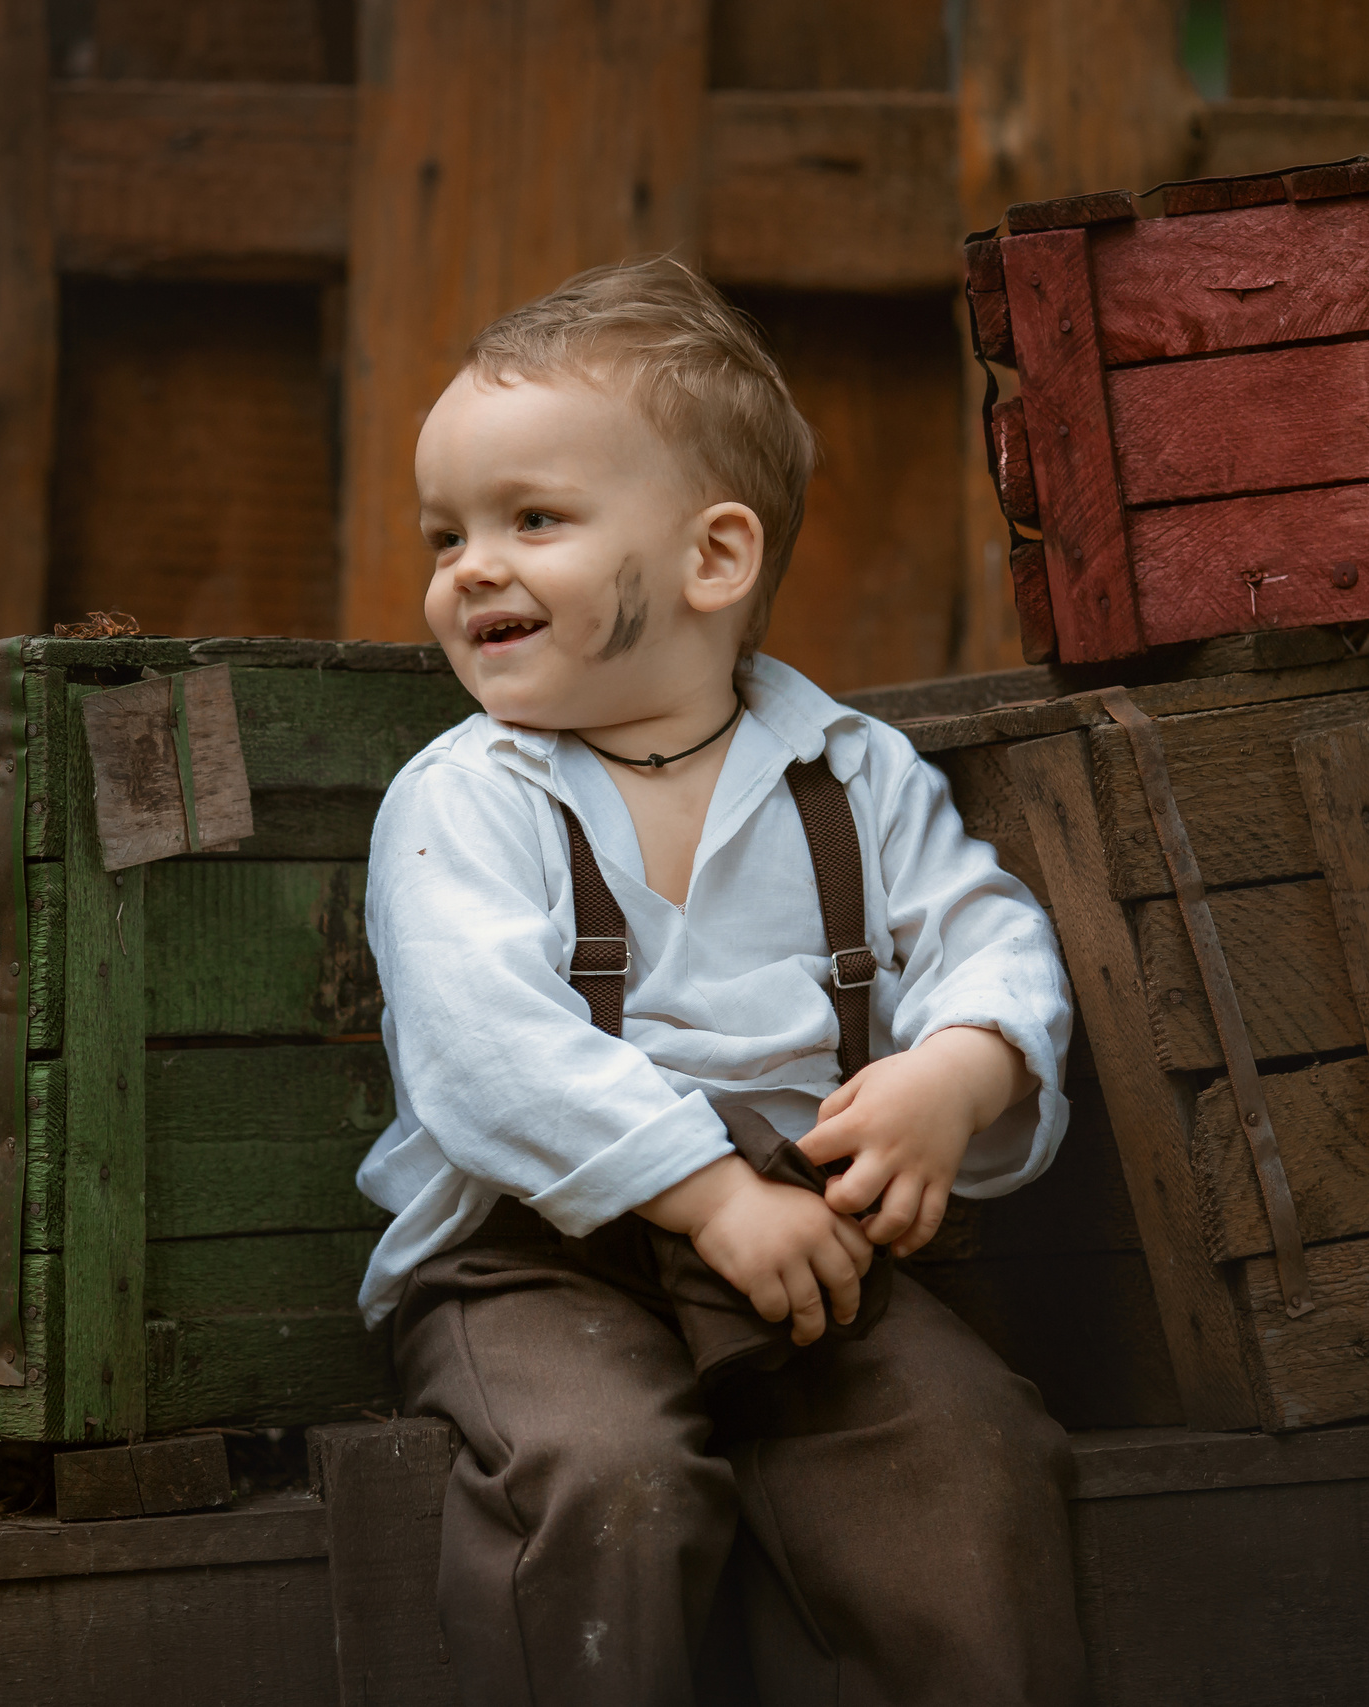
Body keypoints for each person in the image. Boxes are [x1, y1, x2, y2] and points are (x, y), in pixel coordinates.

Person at [354, 257, 1088, 1706]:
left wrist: (963, 1072)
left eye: (533, 520)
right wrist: (703, 1194)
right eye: (445, 535)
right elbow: (486, 1049)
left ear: (715, 559)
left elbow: (990, 936)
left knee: (967, 1456)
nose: (467, 569)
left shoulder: (848, 772)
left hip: (804, 1247)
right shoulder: (470, 797)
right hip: (533, 1255)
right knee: (603, 1475)